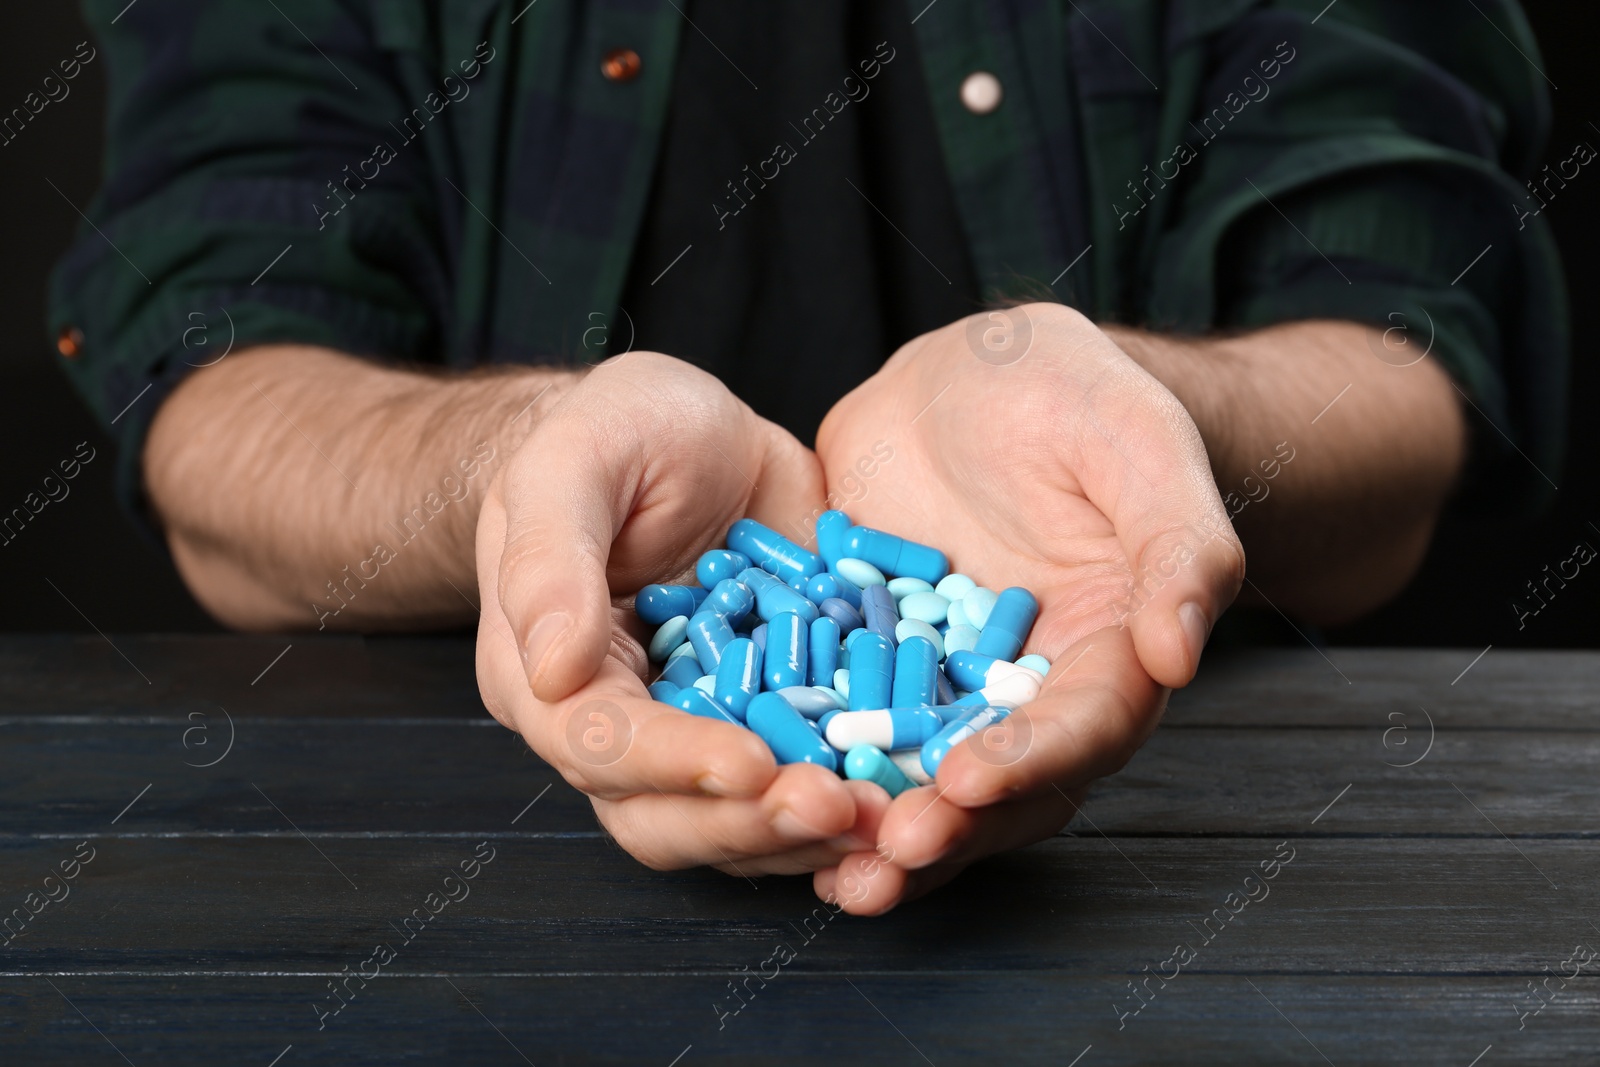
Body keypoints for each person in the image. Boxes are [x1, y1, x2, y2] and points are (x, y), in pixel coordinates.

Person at [49, 1, 1565, 914]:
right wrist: (512, 461)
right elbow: (212, 376)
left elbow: (1409, 342)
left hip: (1195, 860)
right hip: (445, 869)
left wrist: (1155, 417)